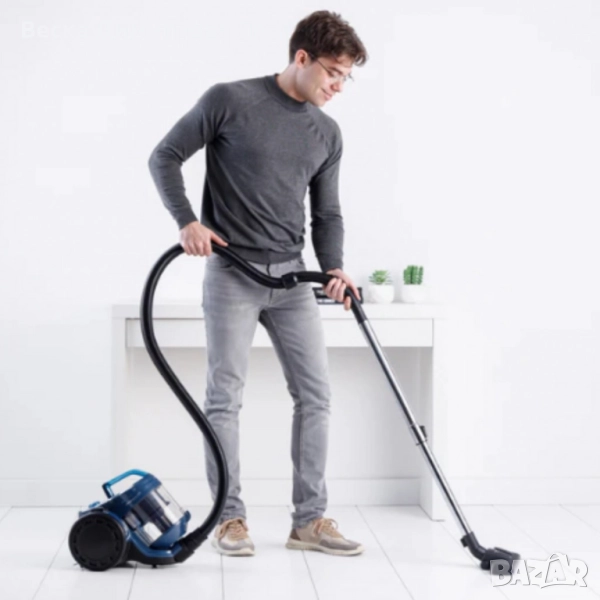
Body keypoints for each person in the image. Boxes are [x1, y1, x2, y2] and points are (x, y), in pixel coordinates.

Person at [148, 10, 368, 557]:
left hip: (293, 280)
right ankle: (229, 519)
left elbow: (327, 213)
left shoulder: (327, 132)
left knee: (315, 396)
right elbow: (164, 156)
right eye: (333, 73)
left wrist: (334, 266)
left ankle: (308, 522)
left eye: (346, 77)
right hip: (232, 274)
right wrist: (187, 221)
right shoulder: (230, 100)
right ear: (301, 58)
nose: (339, 87)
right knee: (224, 398)